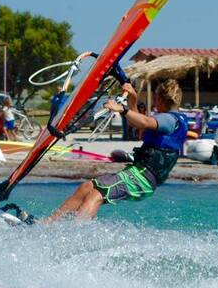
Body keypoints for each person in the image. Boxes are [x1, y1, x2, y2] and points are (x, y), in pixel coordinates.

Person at [41, 79, 188, 222]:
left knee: (96, 194)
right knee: (86, 187)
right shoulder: (172, 120)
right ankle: (49, 223)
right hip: (138, 174)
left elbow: (144, 121)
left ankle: (76, 231)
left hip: (142, 178)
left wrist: (122, 109)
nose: (155, 104)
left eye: (155, 100)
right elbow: (136, 122)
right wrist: (132, 98)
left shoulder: (169, 120)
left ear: (159, 99)